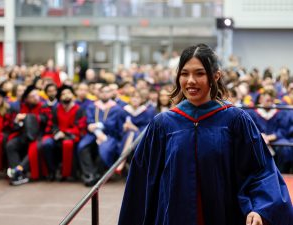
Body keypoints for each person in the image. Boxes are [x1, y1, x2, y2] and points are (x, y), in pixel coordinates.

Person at [118, 44, 293, 225]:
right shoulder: (163, 125)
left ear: (215, 76)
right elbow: (141, 185)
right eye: (185, 74)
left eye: (199, 73)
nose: (191, 80)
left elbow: (260, 170)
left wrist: (260, 208)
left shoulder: (235, 120)